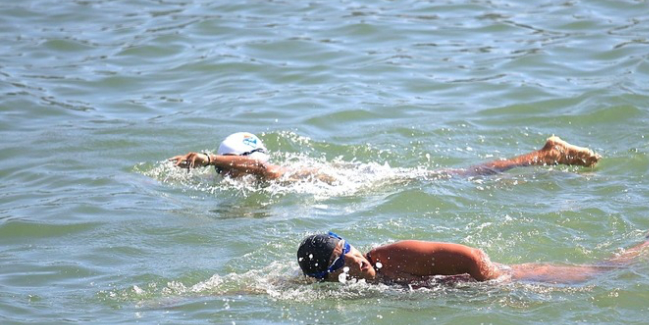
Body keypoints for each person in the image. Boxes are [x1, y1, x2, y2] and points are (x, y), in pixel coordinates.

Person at [296, 227, 649, 285]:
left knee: (596, 275)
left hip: (501, 279)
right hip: (471, 289)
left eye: (348, 249)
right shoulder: (345, 285)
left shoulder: (390, 257)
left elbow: (471, 256)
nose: (355, 262)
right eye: (342, 263)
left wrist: (493, 289)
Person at [169, 132, 600, 181]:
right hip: (360, 177)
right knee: (465, 175)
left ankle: (547, 156)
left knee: (468, 175)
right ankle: (545, 158)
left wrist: (209, 160)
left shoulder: (266, 172)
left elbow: (262, 168)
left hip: (370, 183)